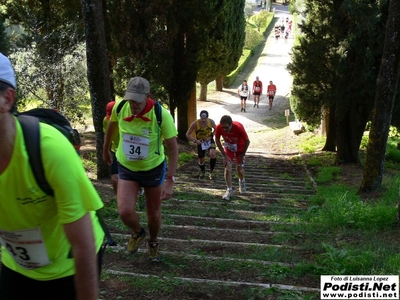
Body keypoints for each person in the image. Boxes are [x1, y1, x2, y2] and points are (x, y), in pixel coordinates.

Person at [0, 53, 105, 299]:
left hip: (67, 266)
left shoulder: (50, 150)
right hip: (16, 265)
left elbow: (82, 244)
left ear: (7, 99)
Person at [103, 76, 178, 263]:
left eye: (137, 100)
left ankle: (153, 242)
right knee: (124, 211)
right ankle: (138, 232)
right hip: (127, 168)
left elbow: (173, 149)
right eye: (130, 99)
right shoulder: (120, 108)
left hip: (152, 169)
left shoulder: (162, 115)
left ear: (148, 96)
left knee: (153, 214)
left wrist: (170, 180)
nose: (133, 104)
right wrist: (105, 150)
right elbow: (111, 129)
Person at [215, 115, 250, 201]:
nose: (225, 130)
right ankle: (229, 189)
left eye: (226, 127)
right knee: (227, 168)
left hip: (240, 147)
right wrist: (224, 155)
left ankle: (242, 182)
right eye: (223, 128)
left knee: (239, 168)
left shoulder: (238, 127)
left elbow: (247, 141)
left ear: (231, 125)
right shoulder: (219, 127)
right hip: (229, 147)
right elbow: (217, 140)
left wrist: (242, 154)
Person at [185, 110, 217, 179]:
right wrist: (195, 141)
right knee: (201, 158)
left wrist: (211, 136)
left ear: (207, 118)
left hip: (209, 140)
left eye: (205, 119)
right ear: (200, 117)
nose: (203, 121)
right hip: (200, 141)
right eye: (202, 119)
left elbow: (216, 129)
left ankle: (212, 172)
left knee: (213, 154)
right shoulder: (195, 123)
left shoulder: (211, 121)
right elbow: (188, 134)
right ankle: (203, 171)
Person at [103, 101, 119, 195]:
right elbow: (107, 135)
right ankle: (120, 201)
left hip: (128, 152)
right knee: (114, 179)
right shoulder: (106, 120)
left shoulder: (127, 120)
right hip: (115, 151)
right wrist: (106, 150)